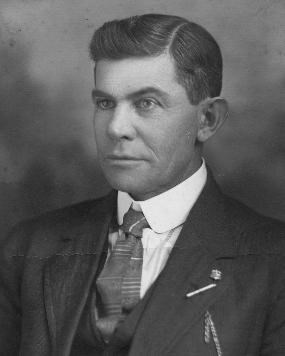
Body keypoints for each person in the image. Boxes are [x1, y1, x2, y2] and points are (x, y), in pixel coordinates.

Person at [0, 13, 285, 356]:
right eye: (105, 103)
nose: (116, 128)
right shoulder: (29, 248)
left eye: (146, 103)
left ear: (207, 120)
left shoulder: (273, 261)